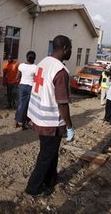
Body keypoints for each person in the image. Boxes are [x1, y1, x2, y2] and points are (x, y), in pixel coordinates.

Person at [25, 35, 74, 197]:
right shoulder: (60, 71)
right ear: (65, 48)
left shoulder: (43, 62)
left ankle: (51, 179)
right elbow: (62, 103)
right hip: (50, 121)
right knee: (46, 155)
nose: (71, 52)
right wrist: (70, 126)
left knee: (51, 151)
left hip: (38, 115)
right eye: (71, 49)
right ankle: (33, 187)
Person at [15, 51, 37, 130]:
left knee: (20, 104)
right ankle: (23, 124)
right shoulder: (35, 67)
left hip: (22, 86)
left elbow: (17, 77)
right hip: (30, 87)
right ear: (34, 58)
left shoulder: (21, 65)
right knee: (27, 106)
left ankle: (17, 122)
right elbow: (36, 79)